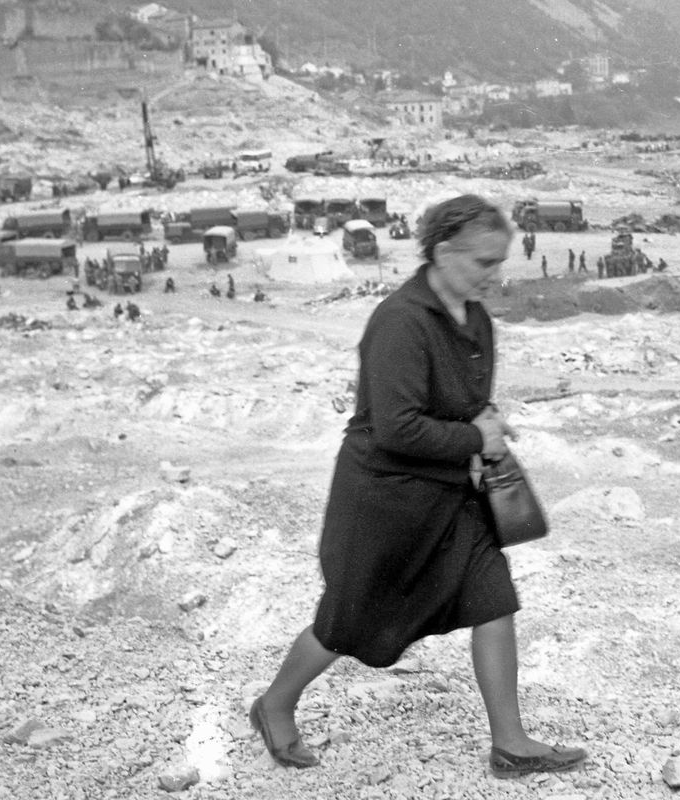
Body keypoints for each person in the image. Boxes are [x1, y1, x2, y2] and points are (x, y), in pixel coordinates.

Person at [250, 194, 587, 778]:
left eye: (499, 261)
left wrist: (484, 427)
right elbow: (395, 427)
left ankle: (510, 742)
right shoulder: (400, 321)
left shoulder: (475, 317)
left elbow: (468, 400)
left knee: (494, 598)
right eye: (484, 261)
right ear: (443, 250)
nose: (495, 274)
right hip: (386, 500)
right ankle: (275, 703)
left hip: (450, 496)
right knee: (348, 622)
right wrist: (474, 439)